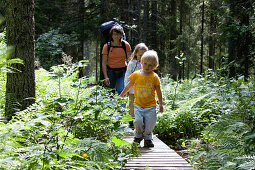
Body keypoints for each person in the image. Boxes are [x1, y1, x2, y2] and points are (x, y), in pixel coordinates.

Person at [119, 50, 163, 147]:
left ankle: (148, 138)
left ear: (155, 66)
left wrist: (160, 104)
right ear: (141, 63)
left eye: (150, 65)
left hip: (151, 106)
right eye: (145, 64)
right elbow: (128, 86)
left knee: (150, 124)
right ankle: (138, 136)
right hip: (138, 105)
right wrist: (122, 95)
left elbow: (159, 91)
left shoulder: (154, 77)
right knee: (138, 121)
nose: (147, 67)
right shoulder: (136, 75)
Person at [101, 25, 131, 95]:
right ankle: (110, 106)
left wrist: (130, 73)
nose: (116, 36)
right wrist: (106, 77)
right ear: (111, 35)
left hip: (122, 71)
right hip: (110, 72)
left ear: (121, 35)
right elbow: (104, 62)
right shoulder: (106, 46)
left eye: (118, 34)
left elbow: (130, 60)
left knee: (122, 91)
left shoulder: (125, 45)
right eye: (114, 34)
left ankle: (121, 106)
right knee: (110, 92)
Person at [124, 43, 148, 127]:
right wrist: (126, 88)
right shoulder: (132, 64)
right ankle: (132, 121)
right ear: (136, 54)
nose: (141, 57)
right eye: (140, 55)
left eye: (144, 55)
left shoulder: (148, 64)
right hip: (132, 89)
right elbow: (127, 77)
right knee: (132, 105)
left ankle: (142, 122)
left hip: (144, 90)